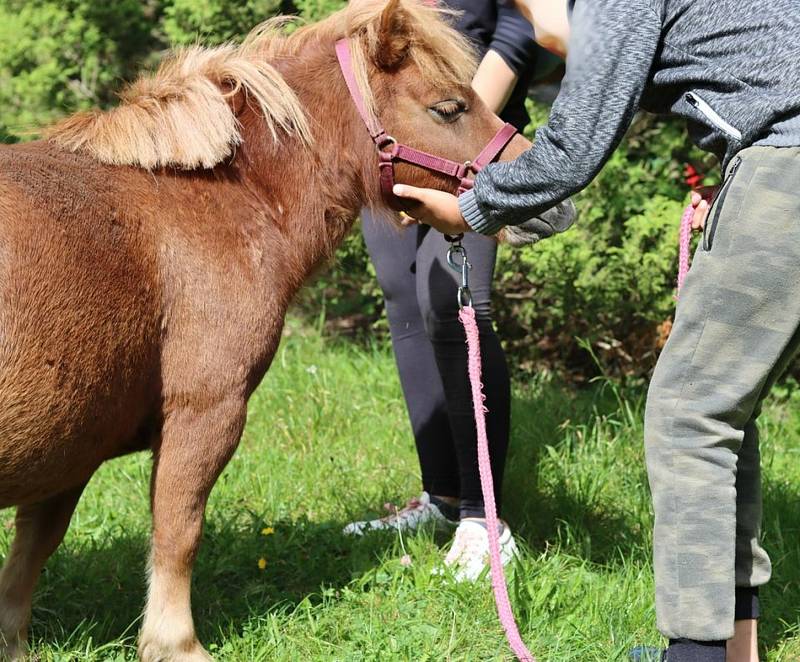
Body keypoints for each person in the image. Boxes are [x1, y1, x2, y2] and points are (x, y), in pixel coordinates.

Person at [391, 0, 800, 660]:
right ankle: (734, 650)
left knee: (690, 417)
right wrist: (735, 163)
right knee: (724, 410)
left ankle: (693, 657)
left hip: (788, 166)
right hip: (777, 159)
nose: (530, 22)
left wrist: (470, 208)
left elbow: (573, 149)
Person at [343, 0, 565, 582]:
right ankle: (441, 497)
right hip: (391, 135)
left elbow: (525, 24)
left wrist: (455, 110)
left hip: (468, 130)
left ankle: (485, 519)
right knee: (404, 300)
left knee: (454, 305)